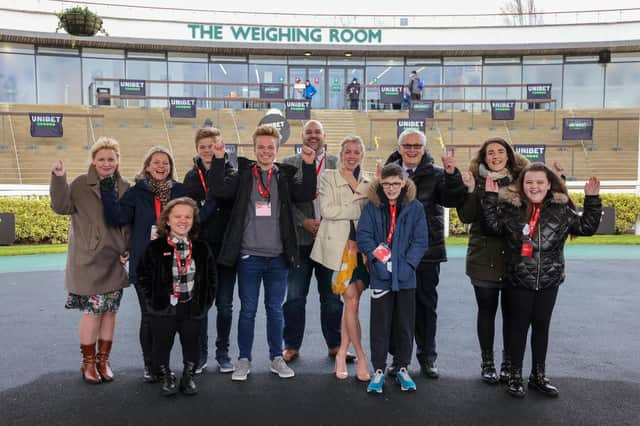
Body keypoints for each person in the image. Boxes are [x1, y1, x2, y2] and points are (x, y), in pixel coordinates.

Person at [207, 125, 316, 381]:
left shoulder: (285, 176)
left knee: (275, 310)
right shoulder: (243, 174)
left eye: (270, 148)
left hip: (278, 257)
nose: (266, 151)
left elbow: (307, 193)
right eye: (261, 147)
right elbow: (219, 190)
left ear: (277, 150)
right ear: (254, 148)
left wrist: (309, 165)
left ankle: (276, 358)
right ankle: (244, 360)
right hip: (249, 256)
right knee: (248, 310)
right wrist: (220, 158)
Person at [483, 163, 602, 398]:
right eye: (529, 182)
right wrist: (489, 198)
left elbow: (586, 227)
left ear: (549, 185)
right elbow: (492, 227)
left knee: (541, 328)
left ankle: (538, 376)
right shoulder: (511, 208)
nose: (534, 187)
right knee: (517, 330)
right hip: (518, 280)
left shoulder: (562, 209)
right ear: (522, 185)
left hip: (549, 280)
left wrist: (592, 199)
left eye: (539, 182)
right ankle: (515, 377)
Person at [100, 146, 186, 382]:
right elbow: (116, 218)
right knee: (149, 316)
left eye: (165, 163)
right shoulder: (138, 192)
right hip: (145, 265)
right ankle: (151, 365)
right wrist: (107, 188)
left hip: (174, 265)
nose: (161, 167)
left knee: (168, 317)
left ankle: (163, 363)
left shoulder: (179, 191)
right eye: (156, 162)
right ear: (147, 166)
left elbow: (191, 221)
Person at [385, 129, 466, 378]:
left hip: (427, 253)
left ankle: (427, 357)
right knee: (396, 307)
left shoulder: (438, 175)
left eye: (416, 146)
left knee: (426, 306)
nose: (411, 150)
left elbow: (453, 199)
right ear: (399, 148)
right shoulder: (387, 174)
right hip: (395, 254)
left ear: (423, 148)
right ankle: (399, 359)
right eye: (407, 145)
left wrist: (453, 175)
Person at [50, 137, 130, 384]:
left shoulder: (125, 187)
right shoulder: (80, 184)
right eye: (101, 159)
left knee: (110, 314)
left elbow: (128, 222)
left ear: (117, 161)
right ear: (93, 161)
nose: (106, 163)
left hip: (114, 261)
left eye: (111, 159)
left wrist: (126, 248)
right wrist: (59, 178)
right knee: (93, 313)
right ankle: (88, 363)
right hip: (88, 260)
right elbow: (61, 206)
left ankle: (103, 361)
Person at [456, 137, 528, 384]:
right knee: (486, 312)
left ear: (509, 155)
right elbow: (466, 217)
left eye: (500, 152)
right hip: (483, 258)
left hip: (513, 260)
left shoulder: (521, 182)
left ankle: (508, 363)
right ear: (483, 157)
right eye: (490, 153)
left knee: (511, 314)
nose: (495, 156)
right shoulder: (475, 182)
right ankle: (487, 362)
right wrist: (468, 191)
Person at [357, 163, 428, 394]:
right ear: (381, 183)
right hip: (381, 276)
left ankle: (402, 367)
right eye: (386, 184)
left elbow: (420, 241)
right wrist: (377, 262)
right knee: (380, 324)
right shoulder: (372, 206)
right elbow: (364, 236)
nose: (391, 188)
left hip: (406, 277)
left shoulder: (415, 207)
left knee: (405, 324)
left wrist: (408, 266)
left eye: (395, 184)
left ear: (404, 183)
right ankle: (378, 369)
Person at [137, 197, 217, 396]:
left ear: (193, 220)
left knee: (192, 344)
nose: (183, 221)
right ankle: (166, 375)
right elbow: (142, 276)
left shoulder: (201, 248)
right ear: (167, 221)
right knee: (161, 345)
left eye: (188, 217)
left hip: (192, 307)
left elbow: (211, 278)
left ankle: (188, 377)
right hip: (164, 309)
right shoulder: (155, 248)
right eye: (178, 216)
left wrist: (204, 304)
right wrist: (153, 302)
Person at [282, 120, 346, 364]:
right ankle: (291, 345)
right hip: (300, 241)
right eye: (308, 132)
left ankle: (335, 344)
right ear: (302, 136)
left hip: (330, 241)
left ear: (324, 135)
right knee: (295, 297)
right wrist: (304, 221)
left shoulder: (337, 164)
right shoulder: (289, 163)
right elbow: (285, 200)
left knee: (331, 298)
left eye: (317, 131)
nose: (313, 135)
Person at [310, 135, 371, 381]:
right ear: (341, 153)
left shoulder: (370, 181)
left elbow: (373, 213)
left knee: (352, 304)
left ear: (362, 155)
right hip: (338, 251)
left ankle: (342, 351)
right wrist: (359, 207)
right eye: (347, 151)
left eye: (356, 151)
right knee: (351, 301)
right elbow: (327, 210)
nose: (352, 155)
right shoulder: (327, 176)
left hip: (362, 252)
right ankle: (360, 355)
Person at [183, 127, 237, 374]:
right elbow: (190, 215)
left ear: (221, 147)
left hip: (226, 250)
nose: (207, 150)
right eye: (203, 146)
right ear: (197, 149)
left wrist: (208, 202)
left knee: (225, 305)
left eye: (212, 146)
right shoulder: (191, 178)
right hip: (201, 250)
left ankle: (223, 353)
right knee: (202, 306)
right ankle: (201, 355)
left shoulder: (231, 173)